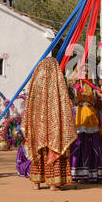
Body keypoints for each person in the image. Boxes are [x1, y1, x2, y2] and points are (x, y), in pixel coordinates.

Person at [21, 57, 77, 190]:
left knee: (39, 151)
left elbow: (30, 106)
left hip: (37, 125)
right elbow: (64, 104)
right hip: (54, 125)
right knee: (54, 147)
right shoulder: (57, 83)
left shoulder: (35, 81)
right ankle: (53, 184)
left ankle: (36, 183)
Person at [69, 69, 102, 183]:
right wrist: (73, 82)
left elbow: (100, 101)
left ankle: (89, 173)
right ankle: (77, 174)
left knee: (92, 145)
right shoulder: (74, 86)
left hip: (91, 118)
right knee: (78, 145)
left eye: (88, 71)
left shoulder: (92, 87)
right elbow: (67, 91)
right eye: (84, 71)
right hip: (79, 117)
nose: (86, 73)